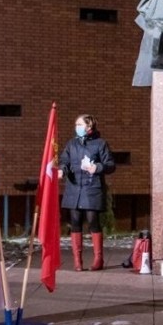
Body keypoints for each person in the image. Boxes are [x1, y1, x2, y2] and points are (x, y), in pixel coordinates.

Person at [58, 114, 115, 272]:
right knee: (75, 222)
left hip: (92, 188)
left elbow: (110, 164)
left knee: (92, 221)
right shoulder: (71, 144)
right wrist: (62, 170)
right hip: (74, 188)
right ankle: (77, 260)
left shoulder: (100, 144)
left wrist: (97, 167)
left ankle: (98, 259)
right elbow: (65, 161)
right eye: (76, 124)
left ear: (89, 127)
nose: (77, 127)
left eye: (80, 124)